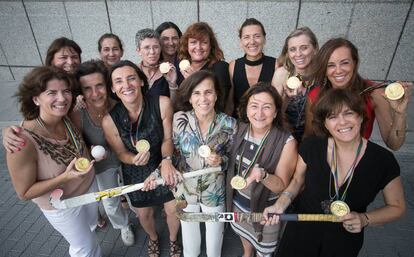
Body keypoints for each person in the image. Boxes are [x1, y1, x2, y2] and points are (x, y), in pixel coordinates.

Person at [263, 88, 406, 257]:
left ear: (360, 116)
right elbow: (297, 181)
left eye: (348, 113)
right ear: (325, 124)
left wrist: (365, 219)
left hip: (344, 239)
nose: (342, 122)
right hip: (300, 232)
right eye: (333, 117)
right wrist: (279, 205)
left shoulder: (383, 160)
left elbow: (397, 207)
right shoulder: (312, 146)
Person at [6, 66, 101, 257]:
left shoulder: (66, 117)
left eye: (66, 91)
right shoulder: (22, 141)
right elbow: (24, 193)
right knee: (85, 247)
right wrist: (64, 177)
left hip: (90, 189)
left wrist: (92, 153)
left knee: (90, 228)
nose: (62, 98)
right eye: (52, 93)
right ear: (35, 99)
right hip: (63, 205)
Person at [101, 60, 181, 257]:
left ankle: (173, 239)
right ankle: (153, 238)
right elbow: (121, 153)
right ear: (113, 88)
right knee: (144, 214)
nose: (126, 85)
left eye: (131, 78)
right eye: (118, 81)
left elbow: (167, 138)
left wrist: (168, 160)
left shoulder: (162, 103)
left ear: (141, 82)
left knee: (173, 209)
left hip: (163, 161)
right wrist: (133, 159)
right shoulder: (109, 120)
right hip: (134, 169)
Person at [159, 70, 236, 257]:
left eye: (208, 92)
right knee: (189, 237)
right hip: (185, 189)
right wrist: (164, 167)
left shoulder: (230, 124)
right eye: (197, 93)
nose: (203, 98)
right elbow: (174, 152)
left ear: (216, 95)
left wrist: (221, 160)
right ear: (190, 98)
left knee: (214, 238)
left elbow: (232, 161)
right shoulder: (179, 119)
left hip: (214, 191)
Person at [226, 83, 297, 257]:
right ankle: (247, 253)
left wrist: (263, 175)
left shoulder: (286, 142)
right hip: (238, 204)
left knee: (264, 251)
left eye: (267, 107)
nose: (259, 113)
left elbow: (281, 186)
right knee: (243, 234)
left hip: (266, 212)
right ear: (246, 108)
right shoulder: (238, 129)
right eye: (254, 106)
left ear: (275, 112)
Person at [304, 38, 411, 150]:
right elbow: (308, 138)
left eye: (344, 63)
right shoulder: (314, 96)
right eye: (331, 65)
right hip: (324, 159)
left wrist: (400, 113)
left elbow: (394, 144)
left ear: (354, 63)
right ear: (324, 69)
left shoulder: (374, 93)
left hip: (358, 158)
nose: (338, 70)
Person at [70, 60, 134, 245]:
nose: (95, 93)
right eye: (87, 88)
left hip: (126, 160)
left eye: (99, 85)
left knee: (133, 195)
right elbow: (77, 145)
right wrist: (88, 153)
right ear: (81, 91)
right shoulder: (77, 113)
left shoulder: (120, 105)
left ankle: (140, 212)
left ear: (107, 85)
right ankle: (123, 226)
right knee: (110, 203)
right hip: (101, 166)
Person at [271, 27, 319, 143]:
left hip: (314, 140)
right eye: (293, 49)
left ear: (315, 49)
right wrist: (287, 98)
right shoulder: (282, 74)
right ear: (288, 53)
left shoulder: (323, 78)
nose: (298, 54)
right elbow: (272, 114)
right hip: (284, 139)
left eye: (304, 48)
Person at [227, 18, 277, 117]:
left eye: (257, 36)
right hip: (239, 124)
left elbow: (278, 103)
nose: (252, 41)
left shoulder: (276, 65)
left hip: (264, 123)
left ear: (264, 39)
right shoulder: (233, 66)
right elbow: (230, 103)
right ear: (241, 41)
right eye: (246, 37)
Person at [178, 22, 231, 104]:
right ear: (186, 45)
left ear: (210, 46)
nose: (198, 47)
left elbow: (221, 104)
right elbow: (178, 104)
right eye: (193, 42)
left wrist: (195, 80)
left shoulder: (220, 68)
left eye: (204, 42)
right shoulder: (182, 69)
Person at [135, 28, 178, 99]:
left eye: (156, 47)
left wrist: (172, 84)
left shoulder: (168, 71)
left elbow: (174, 106)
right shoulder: (133, 71)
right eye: (147, 47)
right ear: (138, 51)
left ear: (160, 49)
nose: (152, 52)